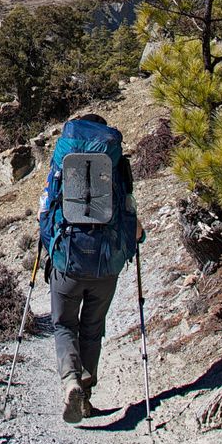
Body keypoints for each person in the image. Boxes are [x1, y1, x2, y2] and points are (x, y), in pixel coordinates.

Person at [38, 112, 144, 424]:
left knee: (64, 325)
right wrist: (136, 242)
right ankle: (86, 397)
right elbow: (129, 215)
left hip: (68, 262)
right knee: (92, 330)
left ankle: (70, 380)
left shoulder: (63, 162)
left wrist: (52, 249)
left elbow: (46, 212)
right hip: (104, 265)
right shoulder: (114, 165)